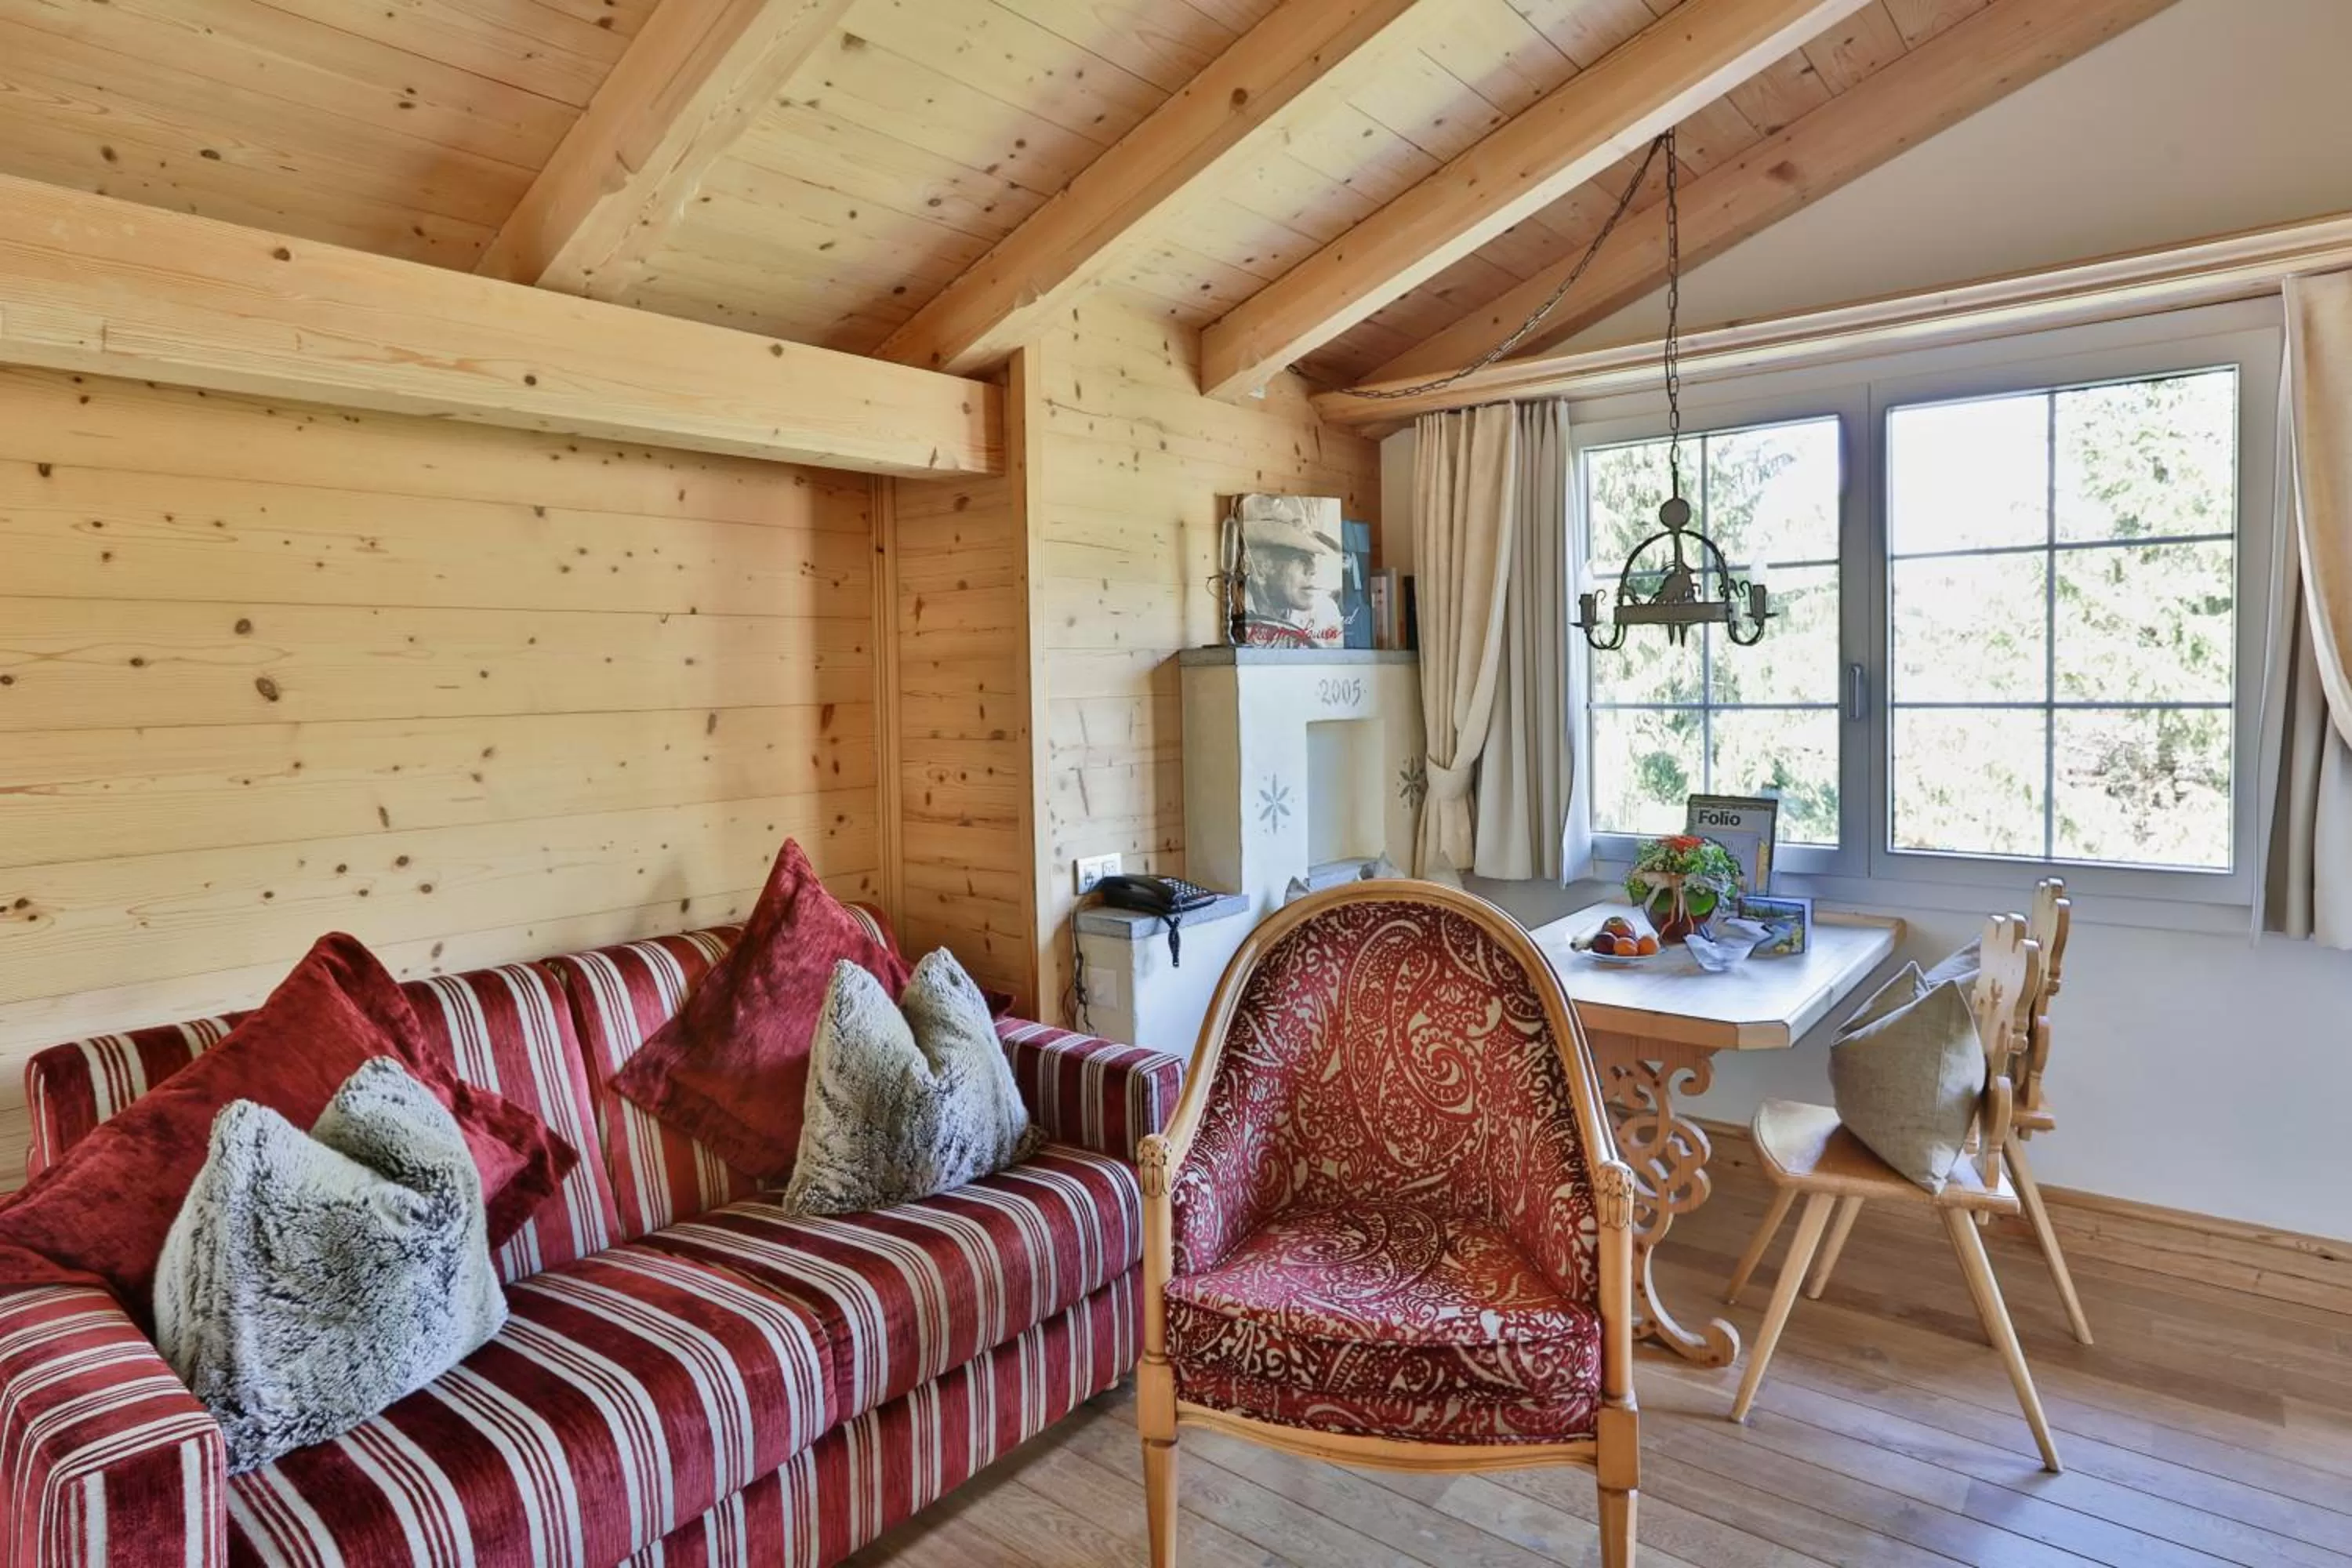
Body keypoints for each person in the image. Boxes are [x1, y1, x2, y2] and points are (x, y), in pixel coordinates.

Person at [1238, 499, 1341, 645]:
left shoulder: (1324, 613)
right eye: (1301, 559)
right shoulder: (1234, 615)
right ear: (1261, 571)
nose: (1313, 570)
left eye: (1313, 558)